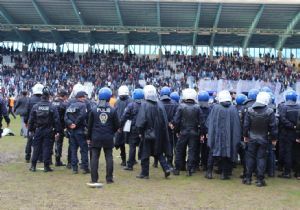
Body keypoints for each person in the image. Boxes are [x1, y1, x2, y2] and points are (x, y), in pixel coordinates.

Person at [135, 85, 171, 179]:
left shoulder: (144, 105)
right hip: (159, 133)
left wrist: (140, 131)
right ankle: (166, 168)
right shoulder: (160, 105)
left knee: (145, 153)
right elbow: (165, 121)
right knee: (158, 152)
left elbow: (141, 121)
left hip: (147, 133)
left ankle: (144, 173)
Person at [243, 92, 278, 187]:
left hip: (252, 138)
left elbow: (246, 125)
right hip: (263, 138)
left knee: (250, 158)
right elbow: (273, 127)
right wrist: (274, 139)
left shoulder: (250, 110)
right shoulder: (270, 112)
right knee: (261, 158)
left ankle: (248, 178)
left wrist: (245, 136)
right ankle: (259, 180)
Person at [87, 87, 119, 185]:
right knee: (109, 157)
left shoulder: (93, 110)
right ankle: (109, 178)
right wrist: (111, 132)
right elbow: (117, 125)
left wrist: (88, 137)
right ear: (109, 97)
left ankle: (94, 178)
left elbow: (90, 125)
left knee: (94, 157)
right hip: (108, 136)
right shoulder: (113, 110)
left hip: (95, 136)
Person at [206, 90, 241, 180]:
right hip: (228, 137)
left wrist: (209, 133)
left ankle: (209, 172)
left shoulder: (216, 108)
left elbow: (210, 122)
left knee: (212, 151)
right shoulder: (233, 109)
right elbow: (236, 125)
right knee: (227, 153)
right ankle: (224, 174)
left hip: (216, 135)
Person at [28, 87, 61, 172]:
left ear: (41, 97)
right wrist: (57, 131)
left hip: (38, 130)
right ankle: (46, 166)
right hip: (48, 130)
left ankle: (33, 166)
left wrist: (31, 130)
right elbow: (56, 120)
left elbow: (31, 119)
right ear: (49, 96)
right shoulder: (52, 107)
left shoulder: (36, 106)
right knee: (47, 148)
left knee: (36, 148)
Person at [172, 88, 203, 176]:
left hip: (183, 131)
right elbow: (201, 122)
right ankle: (190, 169)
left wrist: (176, 131)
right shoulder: (197, 107)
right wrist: (201, 133)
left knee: (179, 150)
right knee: (192, 151)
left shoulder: (181, 106)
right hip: (194, 132)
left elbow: (176, 120)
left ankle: (177, 169)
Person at [65, 91, 90, 174]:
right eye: (84, 97)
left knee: (73, 149)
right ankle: (85, 167)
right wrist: (75, 124)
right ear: (80, 97)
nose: (85, 99)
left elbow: (66, 117)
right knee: (84, 149)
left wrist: (70, 124)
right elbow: (82, 116)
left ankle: (74, 168)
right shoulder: (83, 105)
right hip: (80, 130)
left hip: (72, 131)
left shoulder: (70, 106)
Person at [278, 90, 300, 179]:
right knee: (296, 152)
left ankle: (287, 172)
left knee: (288, 152)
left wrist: (292, 126)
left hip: (286, 133)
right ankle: (297, 172)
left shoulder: (284, 107)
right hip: (297, 133)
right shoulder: (298, 107)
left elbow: (282, 119)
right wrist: (296, 127)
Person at [120, 88, 144, 171]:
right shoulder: (145, 104)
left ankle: (130, 165)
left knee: (132, 146)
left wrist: (120, 126)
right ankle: (144, 164)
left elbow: (124, 116)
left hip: (133, 128)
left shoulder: (131, 105)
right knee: (143, 146)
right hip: (143, 128)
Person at [24, 83, 44, 162]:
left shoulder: (30, 100)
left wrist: (26, 122)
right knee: (41, 141)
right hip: (41, 124)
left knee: (30, 140)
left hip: (31, 123)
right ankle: (40, 157)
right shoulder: (44, 99)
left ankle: (27, 156)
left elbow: (26, 112)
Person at [159, 86, 178, 168]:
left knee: (160, 144)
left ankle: (158, 162)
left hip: (160, 127)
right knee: (169, 145)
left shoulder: (158, 103)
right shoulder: (175, 103)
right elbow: (177, 116)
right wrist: (171, 123)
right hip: (170, 128)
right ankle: (169, 163)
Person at [114, 85, 132, 166]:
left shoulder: (118, 102)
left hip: (126, 124)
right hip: (125, 125)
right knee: (123, 143)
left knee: (127, 144)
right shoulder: (130, 101)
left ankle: (126, 160)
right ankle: (126, 160)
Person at [51, 89, 68, 166]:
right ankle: (57, 161)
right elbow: (65, 117)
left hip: (51, 125)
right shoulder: (64, 105)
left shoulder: (52, 103)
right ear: (64, 96)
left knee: (50, 143)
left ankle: (48, 160)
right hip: (60, 126)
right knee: (59, 143)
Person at [197, 91, 211, 171]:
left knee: (196, 148)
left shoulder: (196, 108)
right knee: (205, 149)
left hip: (198, 130)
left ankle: (197, 163)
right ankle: (204, 164)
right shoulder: (210, 108)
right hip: (206, 132)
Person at [235, 93, 248, 178]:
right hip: (243, 134)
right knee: (244, 154)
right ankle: (245, 171)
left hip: (234, 134)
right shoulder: (246, 109)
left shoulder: (233, 108)